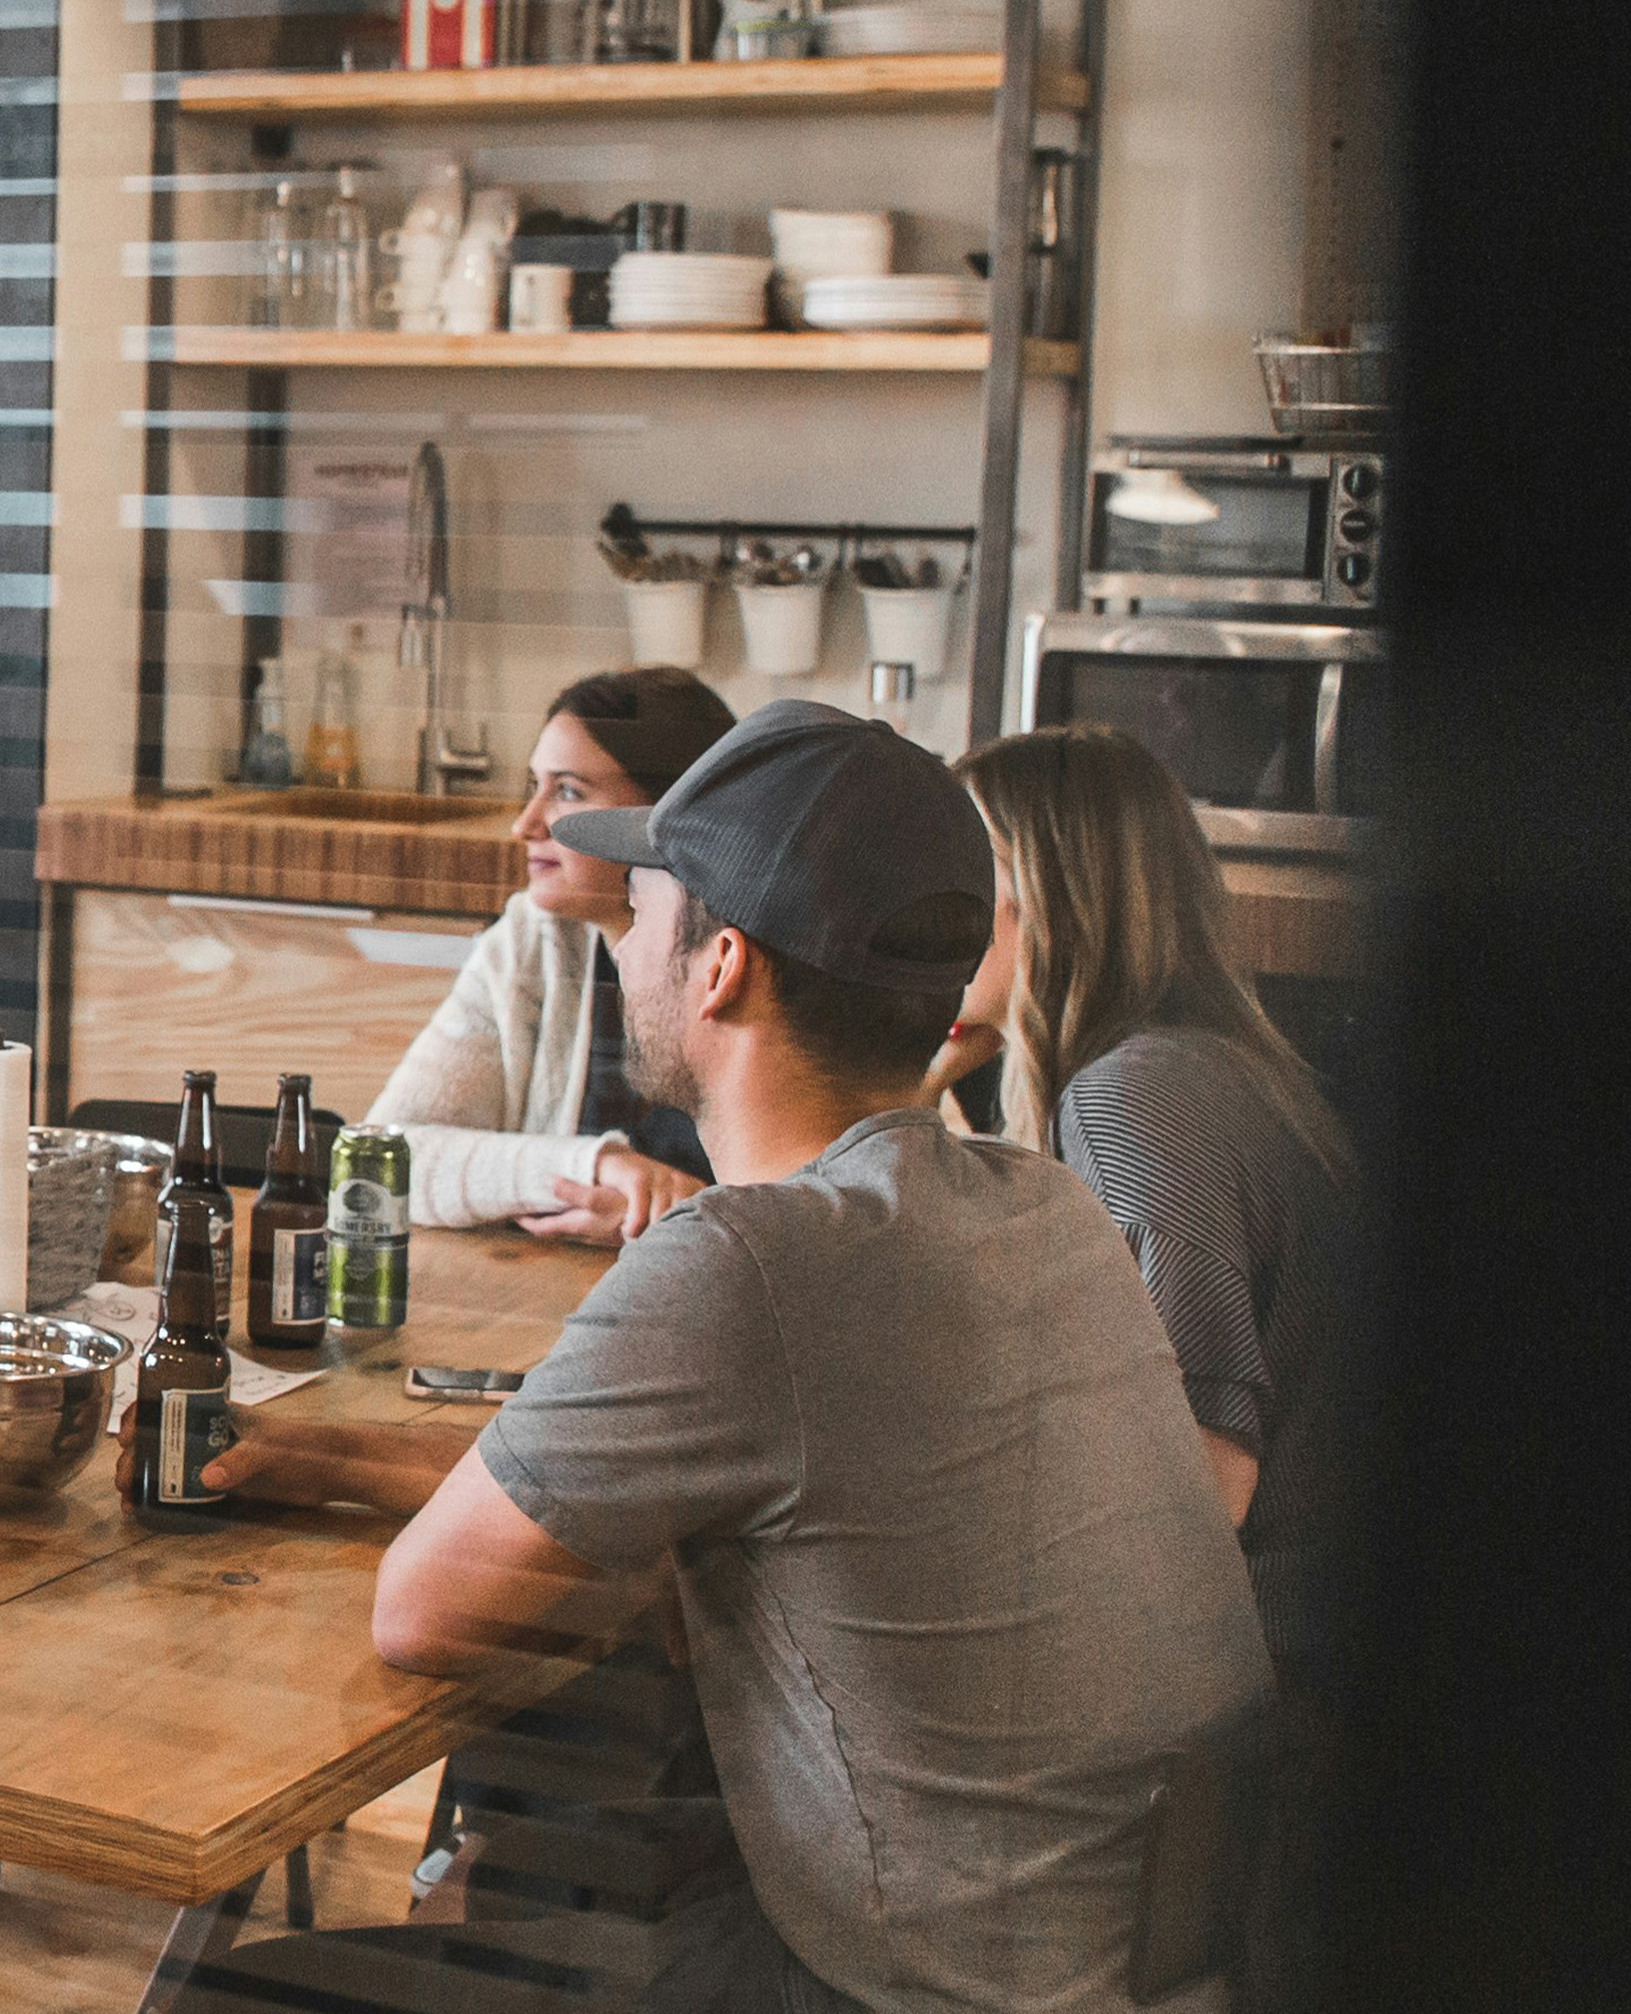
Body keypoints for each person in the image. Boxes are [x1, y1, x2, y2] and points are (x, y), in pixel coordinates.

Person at [174, 703, 1272, 2014]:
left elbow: (424, 1610)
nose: (623, 939)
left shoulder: (749, 1261)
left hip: (915, 1988)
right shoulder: (1037, 1209)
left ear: (721, 967)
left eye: (644, 909)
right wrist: (327, 1453)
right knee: (528, 1860)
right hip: (1116, 1956)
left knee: (236, 1996)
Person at [934, 726, 1358, 1662]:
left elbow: (1193, 1497)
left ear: (1040, 894)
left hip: (1264, 1696)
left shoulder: (1136, 1098)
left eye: (957, 875)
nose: (929, 913)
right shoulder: (1194, 1067)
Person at [365, 666, 737, 1243]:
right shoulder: (531, 941)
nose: (524, 824)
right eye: (534, 786)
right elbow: (384, 1157)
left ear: (667, 815)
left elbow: (810, 1211)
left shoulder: (753, 964)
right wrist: (596, 1166)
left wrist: (664, 1220)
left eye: (566, 791)